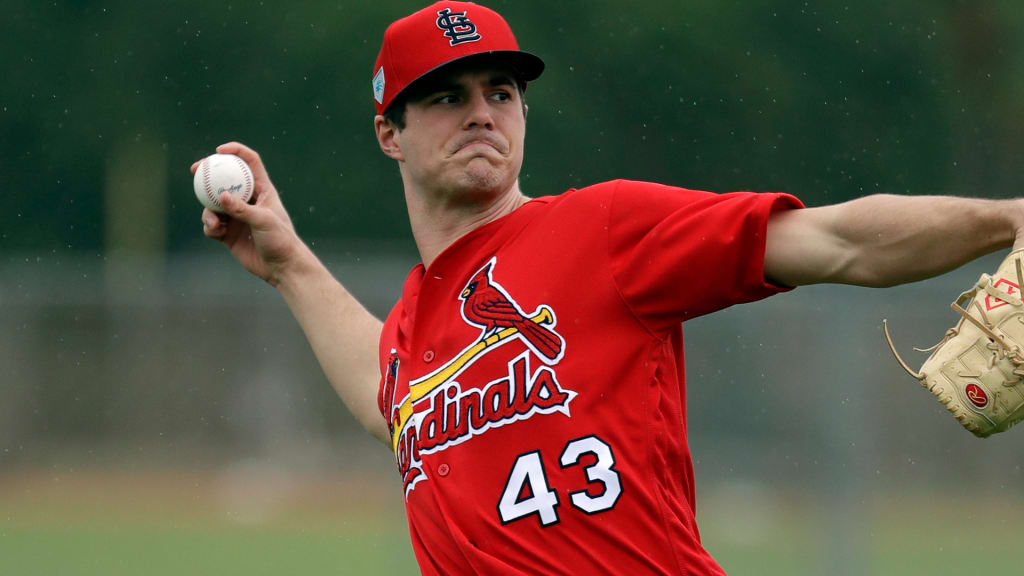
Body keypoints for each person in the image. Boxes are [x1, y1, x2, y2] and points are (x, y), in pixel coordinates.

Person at [196, 2, 1024, 574]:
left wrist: (1006, 219)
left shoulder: (602, 229)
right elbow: (392, 401)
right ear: (390, 134)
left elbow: (834, 241)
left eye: (501, 92)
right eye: (447, 97)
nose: (482, 112)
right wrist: (289, 263)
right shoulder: (417, 324)